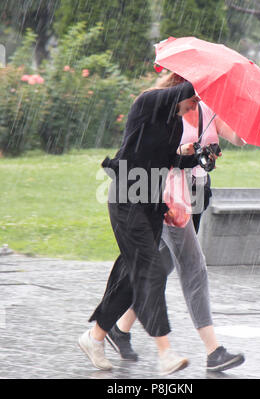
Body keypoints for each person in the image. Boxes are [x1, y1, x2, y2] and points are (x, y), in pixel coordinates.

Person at [104, 81, 246, 373]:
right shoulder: (166, 111)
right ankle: (213, 350)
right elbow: (163, 153)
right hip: (170, 193)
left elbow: (239, 139)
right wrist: (187, 150)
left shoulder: (207, 110)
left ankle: (116, 327)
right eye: (194, 96)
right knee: (192, 265)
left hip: (196, 194)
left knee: (159, 265)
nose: (197, 102)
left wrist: (236, 112)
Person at [78, 73, 202, 376]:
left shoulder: (174, 121)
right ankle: (165, 352)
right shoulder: (147, 103)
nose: (195, 105)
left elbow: (165, 161)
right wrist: (204, 81)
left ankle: (94, 338)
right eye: (193, 99)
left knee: (131, 277)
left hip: (149, 205)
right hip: (126, 200)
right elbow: (185, 90)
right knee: (152, 269)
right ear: (179, 88)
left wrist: (196, 156)